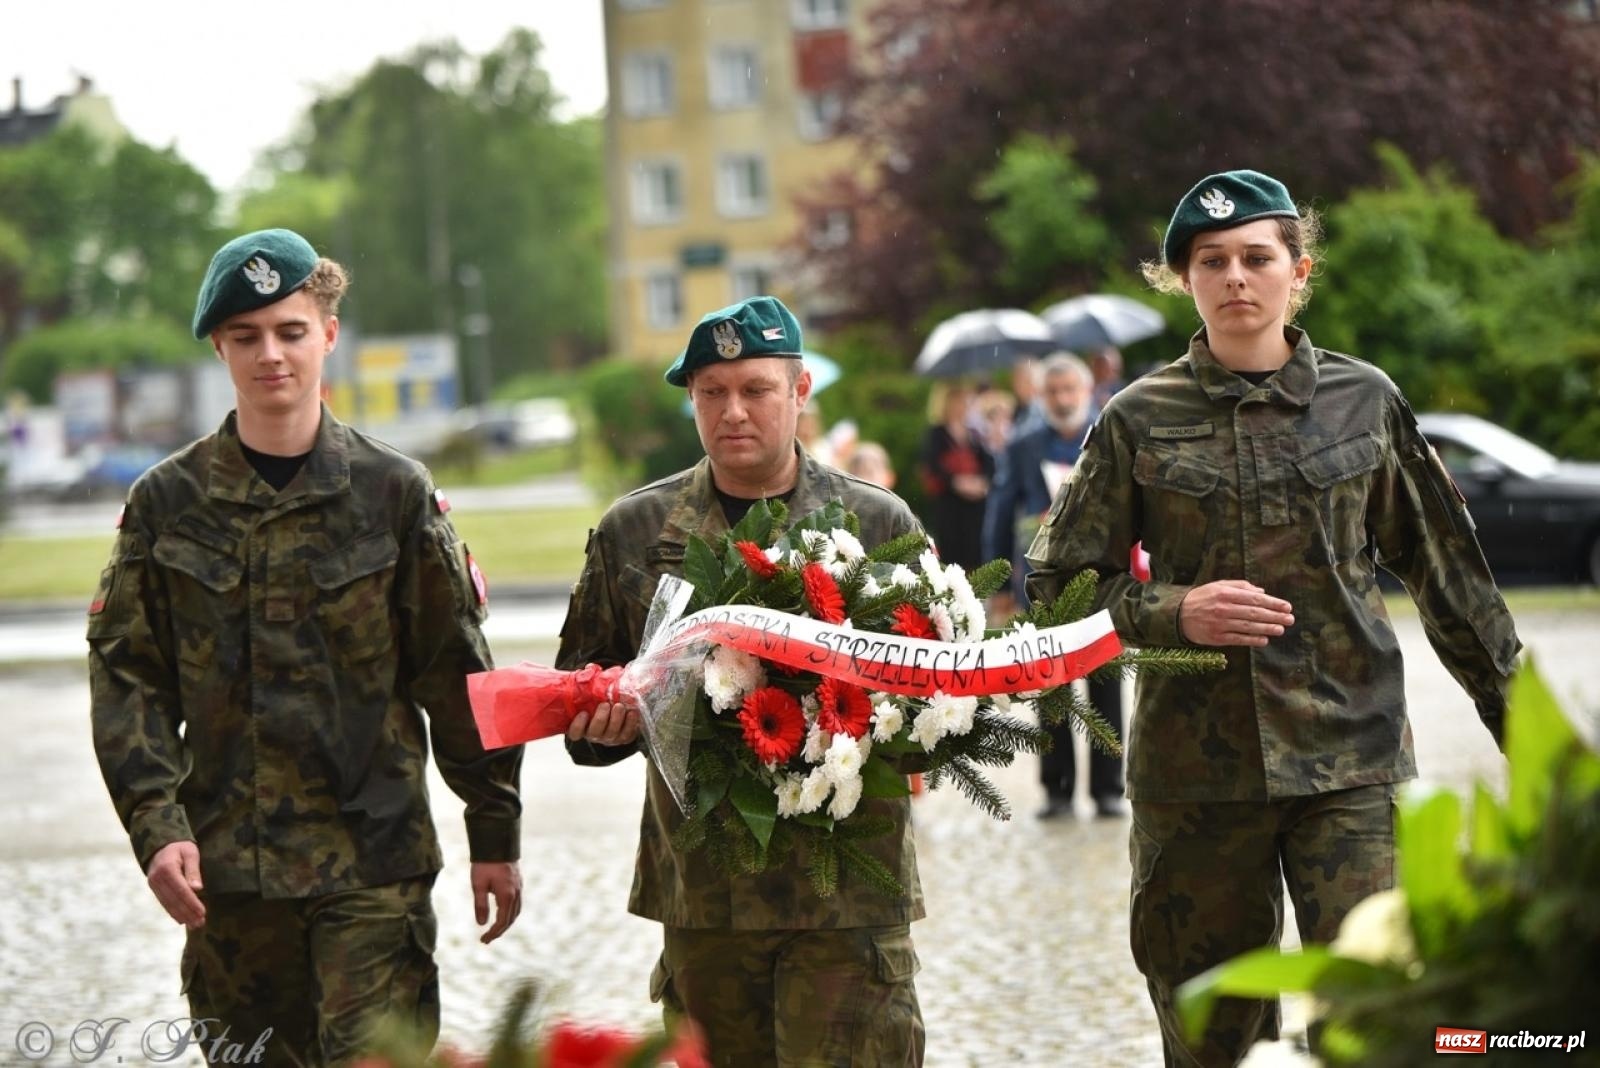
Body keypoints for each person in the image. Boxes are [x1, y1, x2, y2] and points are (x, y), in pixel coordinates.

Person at [1025, 171, 1521, 1066]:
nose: (1236, 277)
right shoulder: (1137, 418)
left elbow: (1449, 577)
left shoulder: (1365, 402)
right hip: (1195, 778)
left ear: (1300, 271)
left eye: (1259, 257)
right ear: (1184, 279)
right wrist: (1176, 611)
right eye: (1211, 261)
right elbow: (1057, 585)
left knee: (1372, 1019)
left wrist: (1526, 729)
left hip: (1349, 762)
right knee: (1213, 1033)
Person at [87, 229, 524, 1065]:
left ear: (327, 335)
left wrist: (494, 828)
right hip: (230, 875)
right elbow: (128, 677)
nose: (271, 355)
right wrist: (155, 821)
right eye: (246, 337)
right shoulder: (166, 503)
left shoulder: (394, 493)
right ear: (219, 346)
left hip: (374, 863)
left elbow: (454, 670)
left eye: (290, 332)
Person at [556, 295, 927, 1066]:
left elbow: (931, 707)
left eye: (756, 389)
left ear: (799, 394)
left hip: (847, 893)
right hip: (706, 893)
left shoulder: (876, 523)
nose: (733, 411)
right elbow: (579, 700)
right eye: (711, 392)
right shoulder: (638, 529)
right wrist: (602, 725)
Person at [983, 352, 1125, 820]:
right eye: (1054, 391)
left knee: (1105, 684)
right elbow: (1001, 511)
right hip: (1042, 584)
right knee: (1051, 688)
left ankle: (1108, 788)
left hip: (1103, 578)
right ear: (1040, 396)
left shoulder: (1109, 435)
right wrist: (999, 579)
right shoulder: (1023, 445)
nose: (1063, 399)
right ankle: (1057, 789)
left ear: (1087, 393)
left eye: (1071, 390)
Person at [915, 380, 993, 573]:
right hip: (949, 504)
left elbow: (988, 464)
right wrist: (956, 482)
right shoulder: (937, 434)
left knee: (975, 551)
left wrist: (981, 482)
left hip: (975, 504)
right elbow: (931, 466)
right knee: (952, 551)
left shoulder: (974, 434)